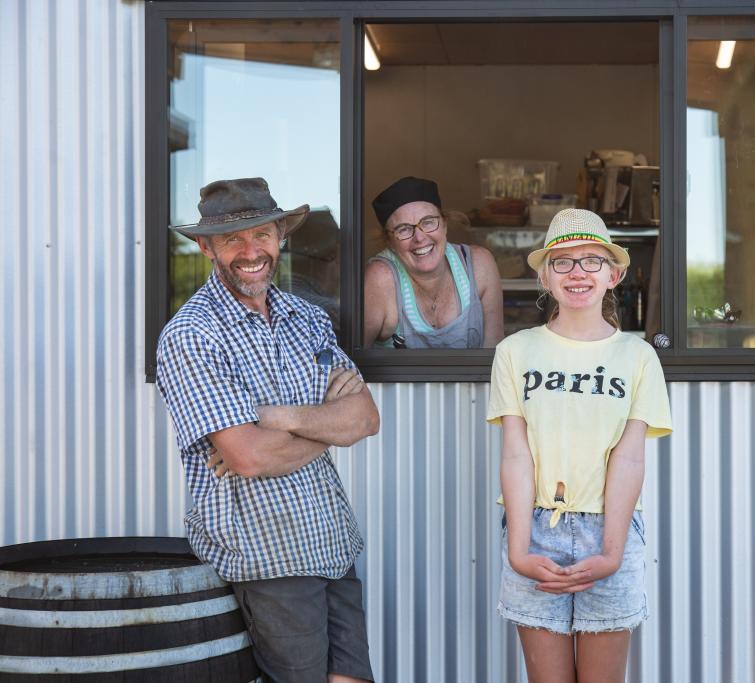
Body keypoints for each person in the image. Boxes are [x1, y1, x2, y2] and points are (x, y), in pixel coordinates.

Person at [156, 177, 379, 683]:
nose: (250, 251)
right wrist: (328, 423)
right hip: (265, 554)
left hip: (331, 540)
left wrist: (277, 416)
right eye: (232, 239)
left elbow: (366, 418)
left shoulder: (307, 319)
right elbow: (248, 458)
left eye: (261, 234)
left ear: (281, 235)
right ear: (206, 247)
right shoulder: (191, 335)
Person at [486, 208, 672, 683]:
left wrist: (611, 551)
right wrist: (519, 549)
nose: (577, 273)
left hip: (609, 530)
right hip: (536, 528)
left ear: (614, 274)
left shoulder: (638, 357)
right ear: (545, 278)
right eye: (562, 262)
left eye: (591, 260)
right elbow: (515, 452)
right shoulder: (516, 352)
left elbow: (630, 458)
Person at [363, 176, 503, 348]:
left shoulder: (478, 265)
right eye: (404, 229)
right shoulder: (381, 277)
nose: (419, 238)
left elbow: (495, 356)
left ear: (444, 225)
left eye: (428, 222)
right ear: (390, 241)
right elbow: (350, 362)